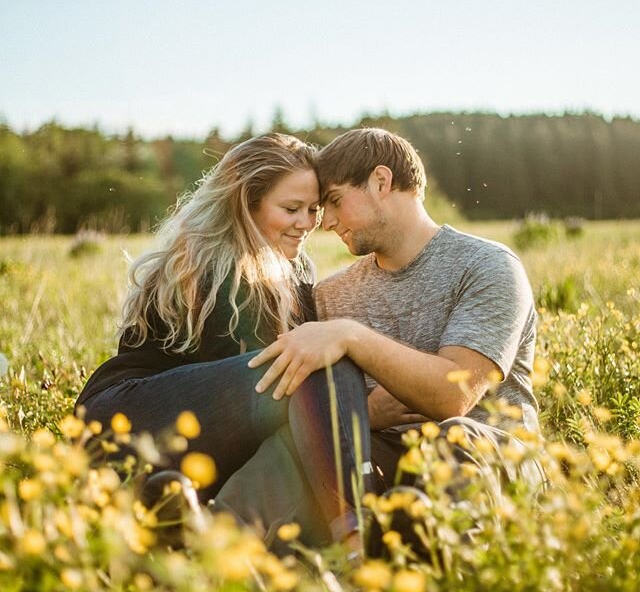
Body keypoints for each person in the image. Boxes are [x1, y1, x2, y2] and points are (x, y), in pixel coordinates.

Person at [75, 133, 372, 550]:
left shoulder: (291, 268)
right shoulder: (204, 264)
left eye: (312, 209)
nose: (306, 223)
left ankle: (184, 520)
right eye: (290, 209)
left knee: (313, 381)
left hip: (195, 438)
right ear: (246, 206)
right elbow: (266, 399)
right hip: (129, 417)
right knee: (316, 367)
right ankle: (355, 542)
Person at [240, 127, 542, 515]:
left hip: (492, 457)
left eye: (333, 201)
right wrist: (365, 414)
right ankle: (203, 532)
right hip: (388, 463)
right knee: (287, 452)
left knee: (454, 438)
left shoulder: (487, 267)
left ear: (381, 181)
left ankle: (432, 559)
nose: (325, 221)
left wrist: (352, 337)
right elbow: (327, 407)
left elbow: (453, 397)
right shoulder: (332, 294)